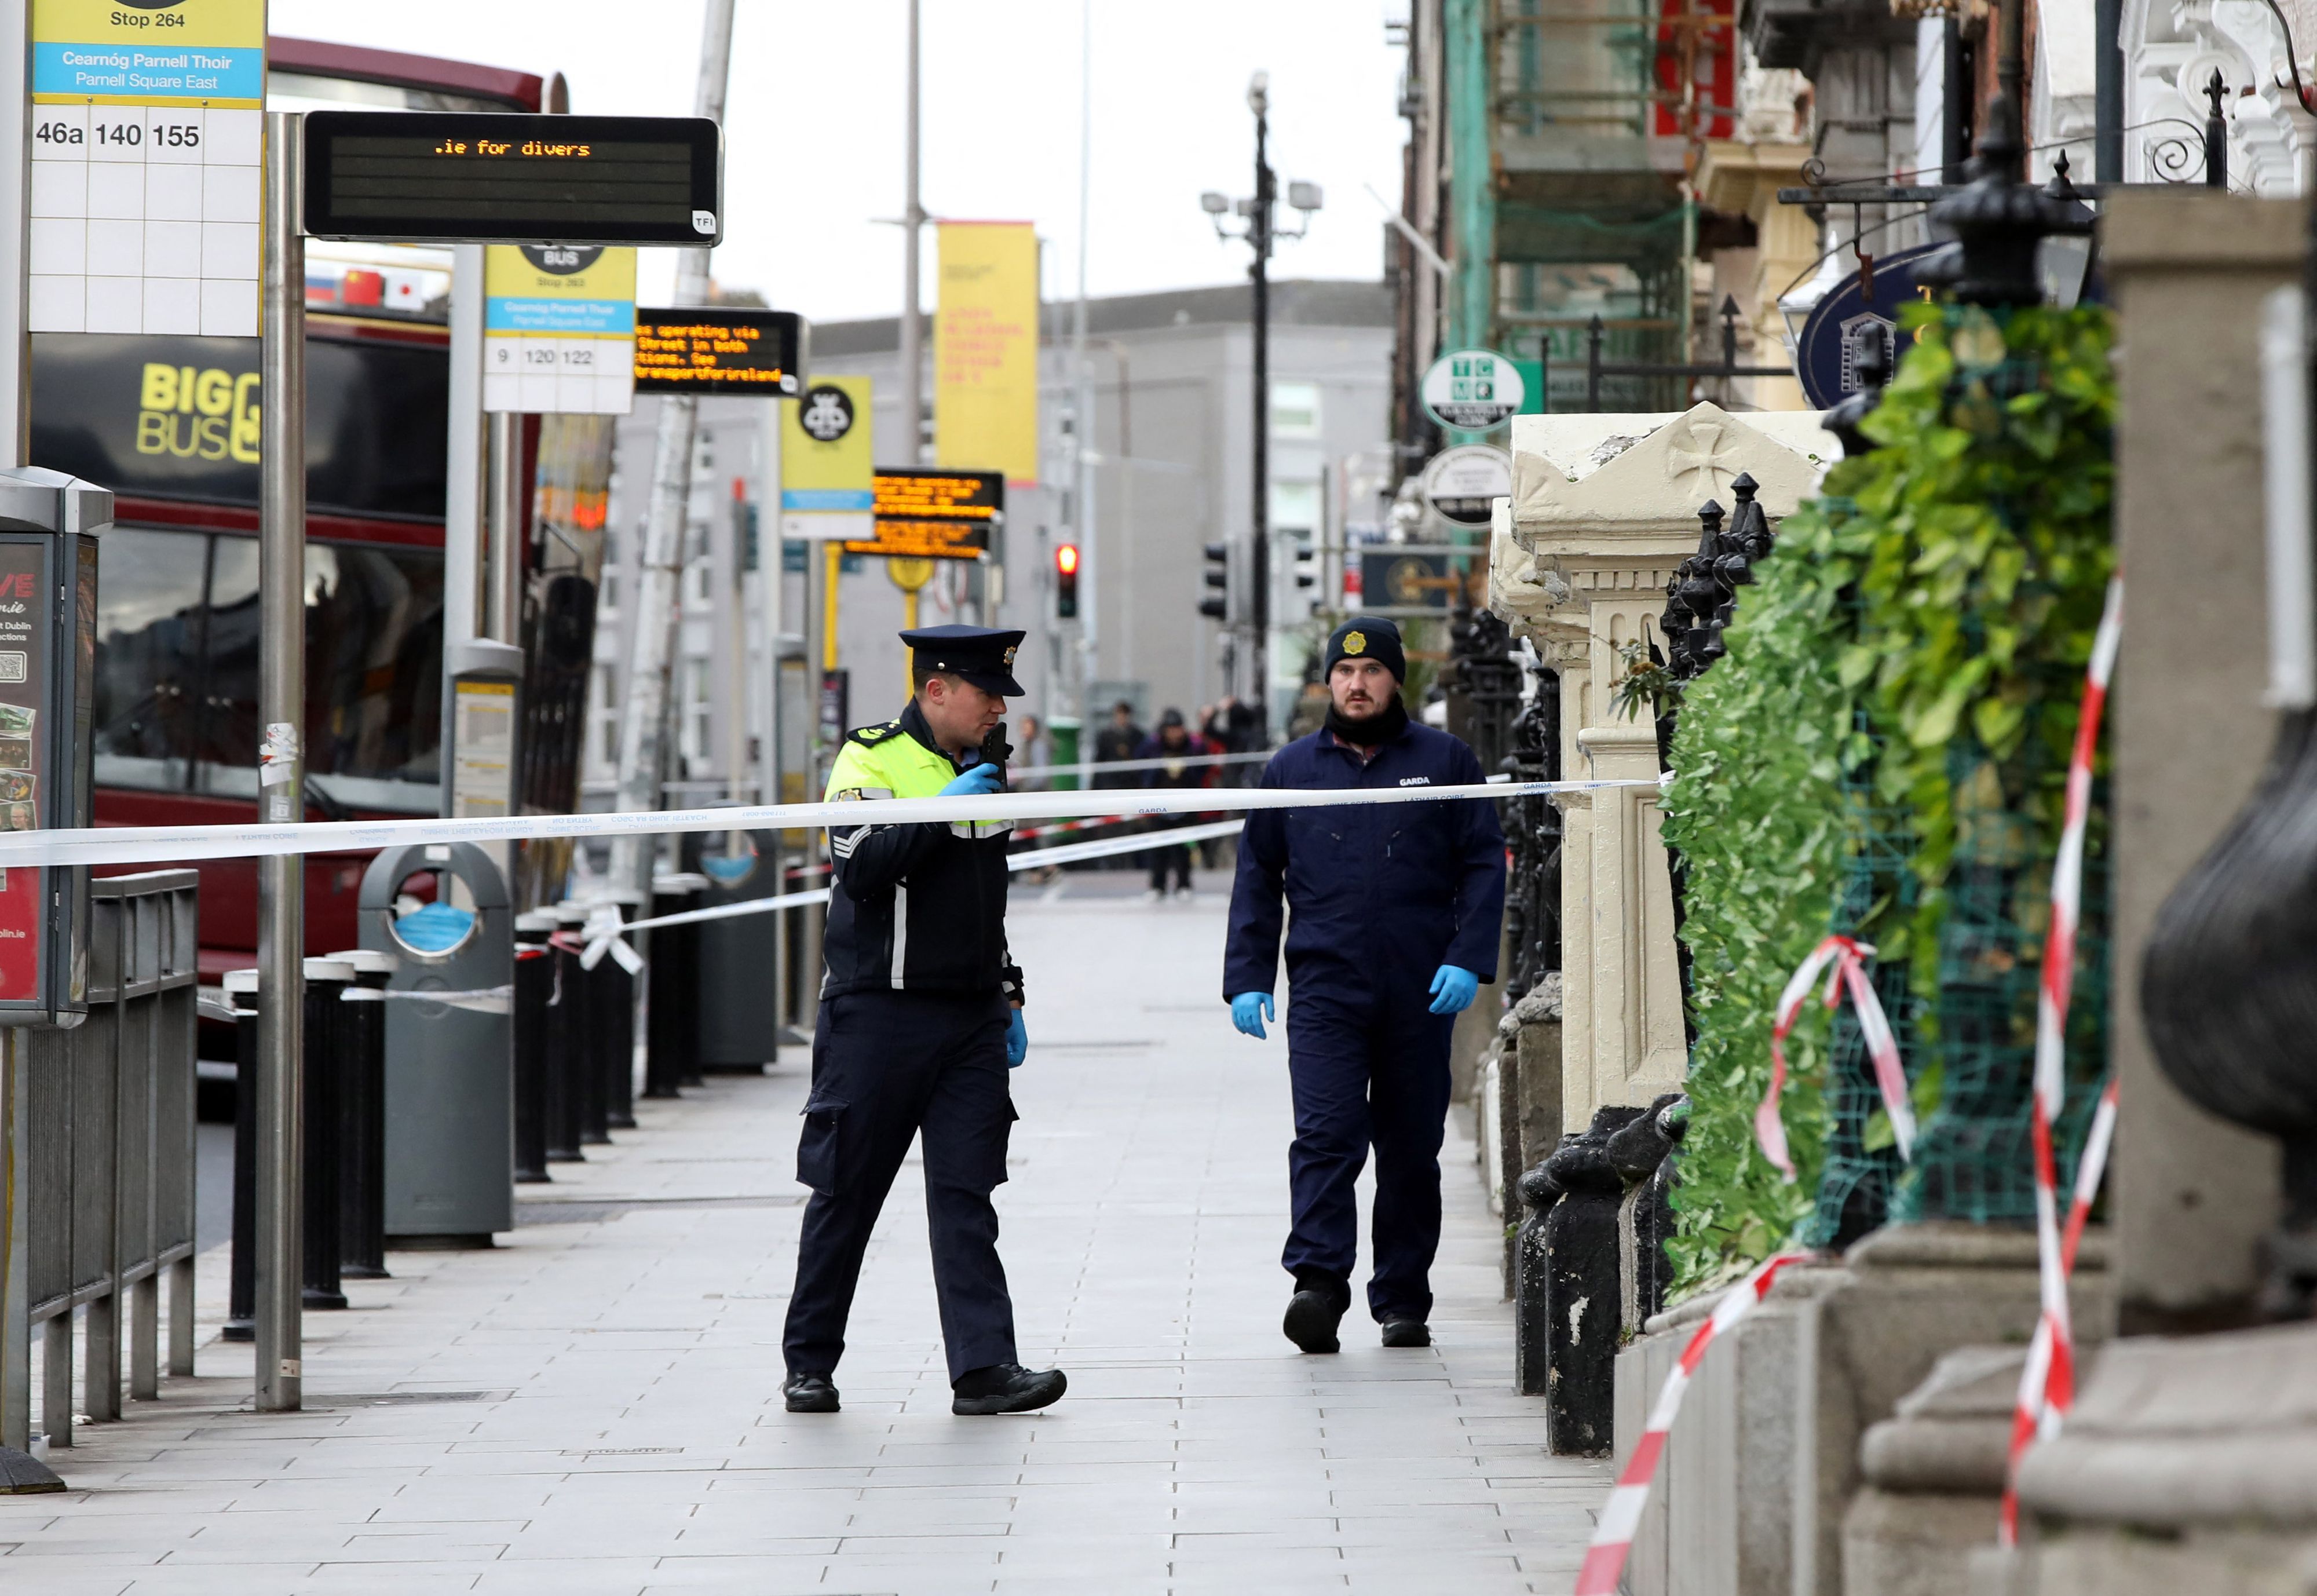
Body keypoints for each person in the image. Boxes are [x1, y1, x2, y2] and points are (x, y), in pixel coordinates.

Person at [782, 623, 1068, 1418]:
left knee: (968, 1195)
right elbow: (862, 870)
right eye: (986, 695)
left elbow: (986, 892)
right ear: (936, 688)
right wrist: (937, 811)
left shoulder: (987, 767)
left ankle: (984, 1368)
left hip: (970, 1016)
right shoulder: (870, 757)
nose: (997, 711)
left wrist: (1008, 986)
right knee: (846, 1194)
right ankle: (810, 1362)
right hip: (879, 1011)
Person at [1222, 616, 1506, 1354]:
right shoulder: (1290, 771)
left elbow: (1483, 861)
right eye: (1344, 674)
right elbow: (1257, 877)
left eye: (1372, 672)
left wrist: (1467, 957)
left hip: (1421, 987)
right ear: (1327, 682)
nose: (1356, 684)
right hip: (1325, 988)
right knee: (1326, 1136)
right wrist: (1247, 978)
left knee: (1411, 1146)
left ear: (1394, 679)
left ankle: (1403, 1298)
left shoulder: (1446, 761)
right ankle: (1317, 1285)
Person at [1138, 708, 1209, 901]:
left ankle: (1184, 884)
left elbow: (1203, 770)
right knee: (1158, 848)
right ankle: (1157, 886)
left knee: (1184, 849)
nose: (1175, 734)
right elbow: (1141, 770)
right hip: (1158, 805)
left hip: (1185, 806)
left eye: (1178, 729)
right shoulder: (1153, 745)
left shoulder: (1193, 745)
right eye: (1171, 729)